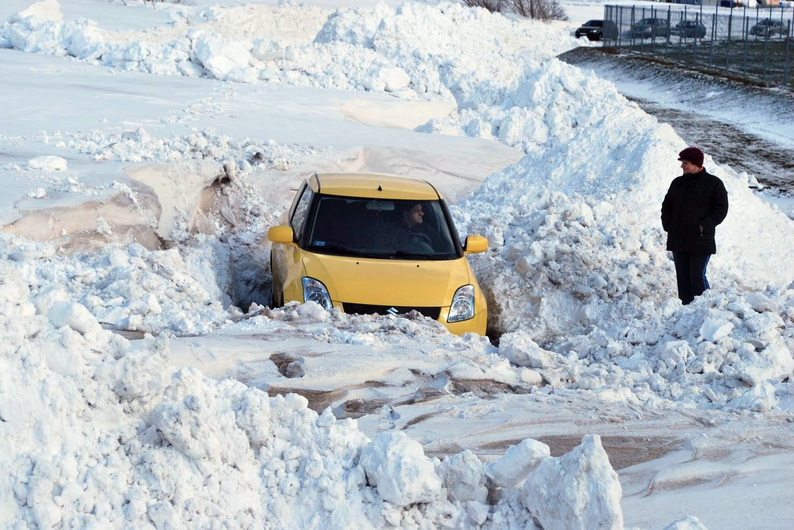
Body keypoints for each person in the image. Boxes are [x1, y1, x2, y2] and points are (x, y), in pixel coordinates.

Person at [661, 147, 729, 305]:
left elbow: (721, 209)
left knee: (696, 276)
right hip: (678, 239)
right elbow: (667, 205)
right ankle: (686, 311)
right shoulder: (677, 183)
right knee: (683, 278)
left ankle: (706, 308)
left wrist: (703, 226)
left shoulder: (714, 184)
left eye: (685, 163)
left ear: (697, 164)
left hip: (700, 240)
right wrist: (668, 225)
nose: (682, 166)